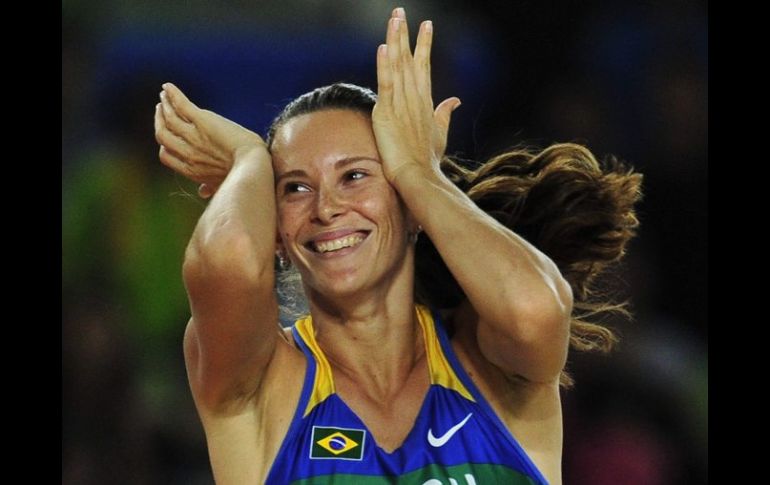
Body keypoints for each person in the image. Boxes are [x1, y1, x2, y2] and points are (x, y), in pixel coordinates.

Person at [153, 8, 641, 484]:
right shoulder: (263, 384)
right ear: (277, 235)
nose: (326, 207)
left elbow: (537, 309)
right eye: (295, 188)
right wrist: (249, 160)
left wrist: (419, 173)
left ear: (411, 209)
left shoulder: (486, 360)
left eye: (355, 176)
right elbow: (230, 257)